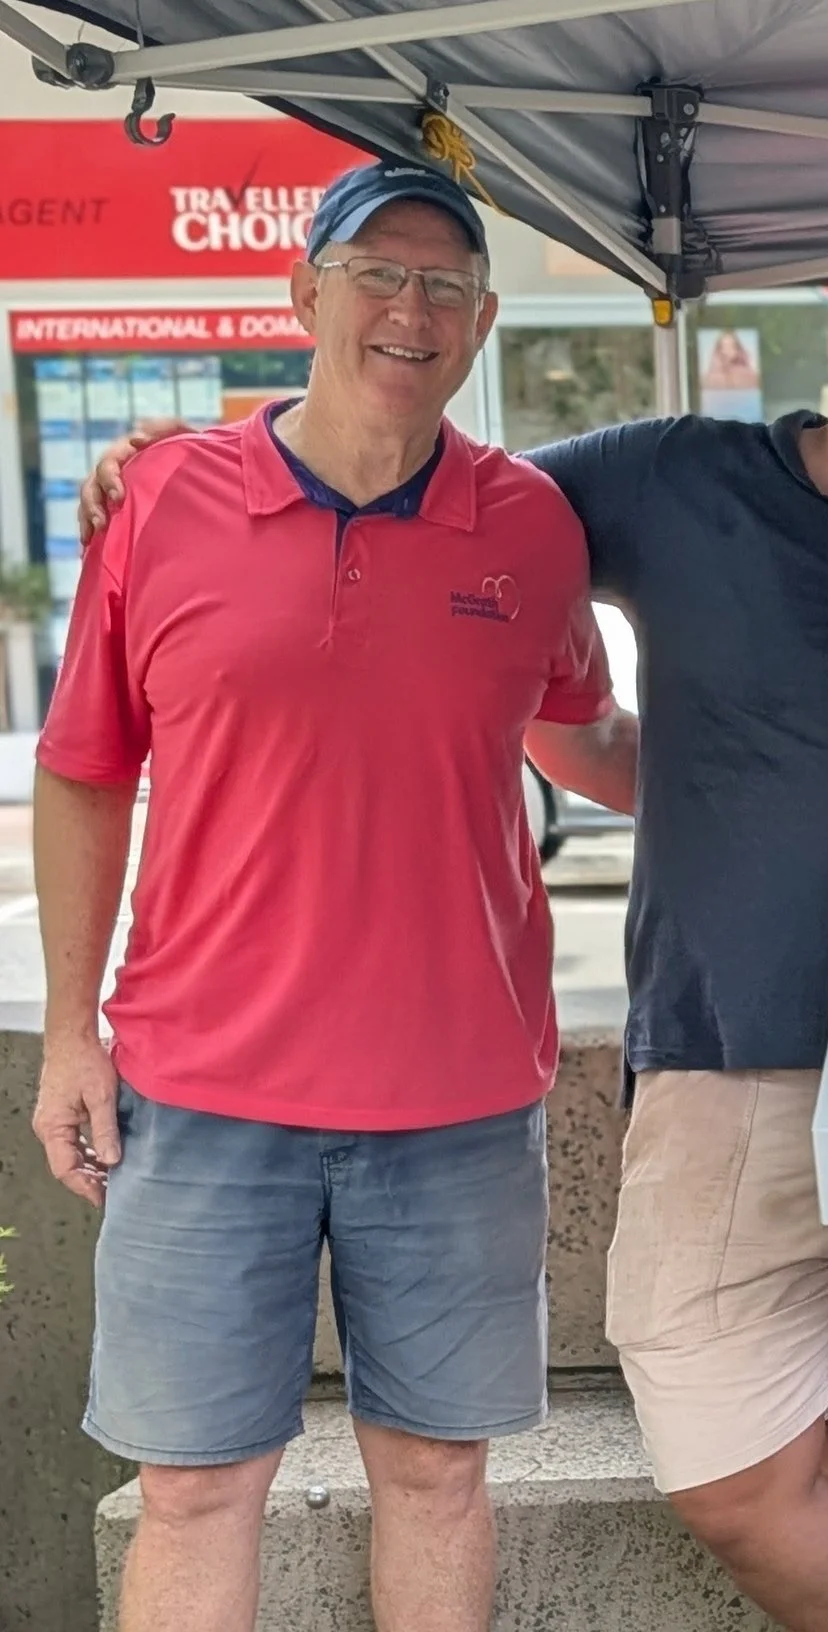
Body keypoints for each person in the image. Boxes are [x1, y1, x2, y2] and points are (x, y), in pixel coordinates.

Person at [80, 190, 828, 1632]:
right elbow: (411, 473)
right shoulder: (671, 474)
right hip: (720, 1034)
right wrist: (190, 449)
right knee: (724, 1459)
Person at [30, 161, 617, 1632]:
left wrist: (807, 774)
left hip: (458, 1097)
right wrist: (67, 1033)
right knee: (193, 1488)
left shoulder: (531, 525)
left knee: (437, 1475)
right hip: (203, 1091)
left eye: (442, 285)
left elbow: (580, 736)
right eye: (377, 273)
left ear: (481, 325)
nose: (408, 310)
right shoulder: (163, 501)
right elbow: (87, 772)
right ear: (303, 295)